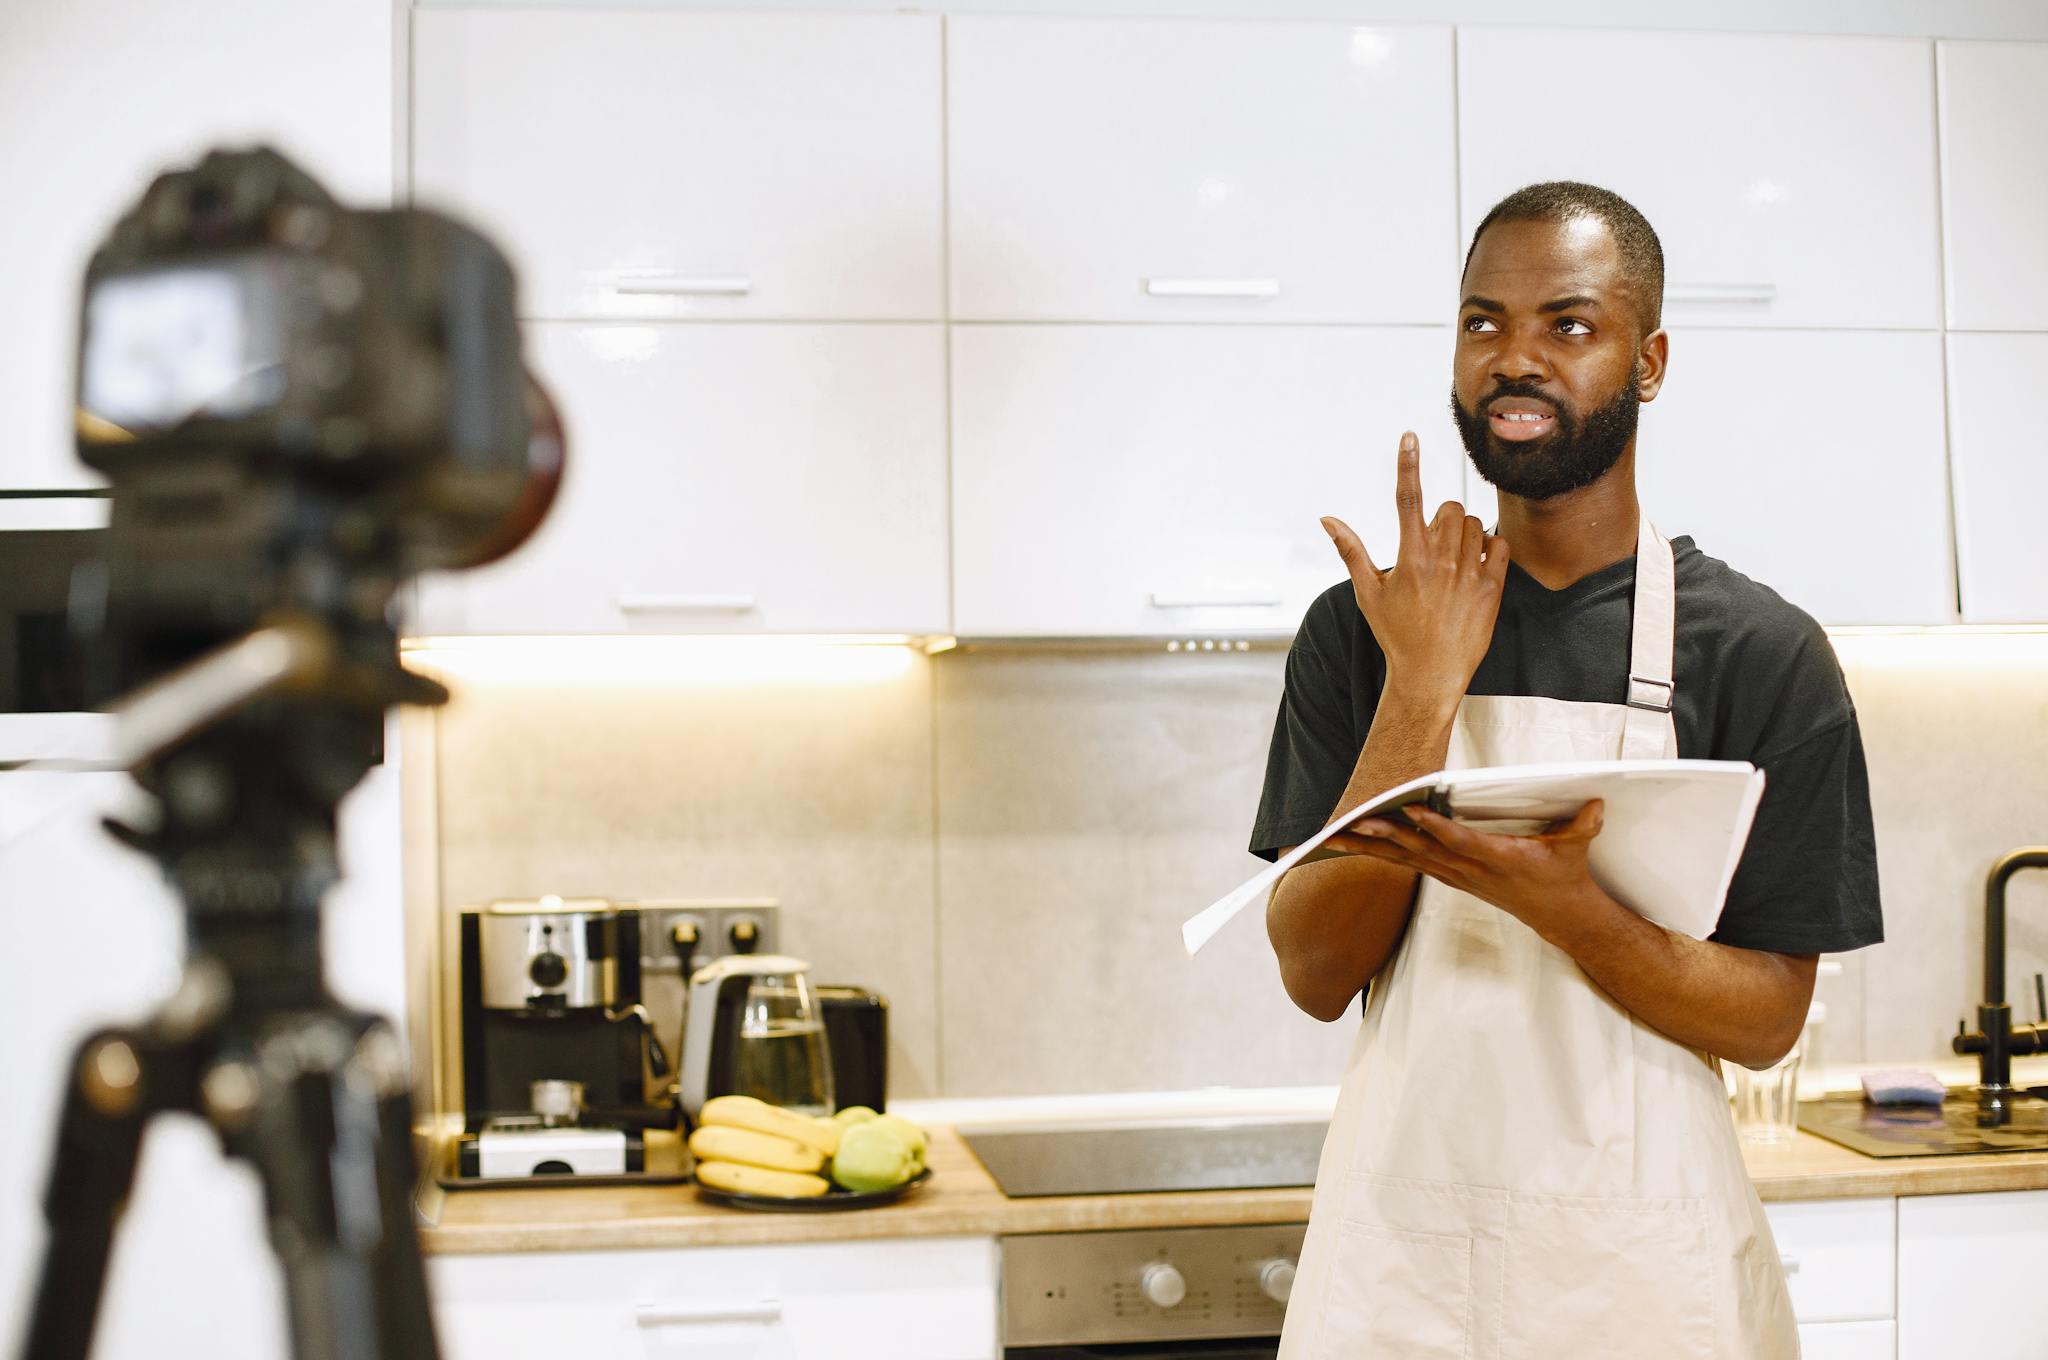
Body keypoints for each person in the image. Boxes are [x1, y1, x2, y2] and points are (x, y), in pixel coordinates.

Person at [1251, 181, 1883, 1358]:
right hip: (1404, 1270)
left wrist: (1571, 913)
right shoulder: (1363, 629)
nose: (1513, 358)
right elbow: (1313, 968)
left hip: (1641, 1276)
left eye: (1568, 325)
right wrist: (1423, 688)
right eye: (1481, 321)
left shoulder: (1754, 651)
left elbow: (1764, 1022)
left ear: (1646, 362)